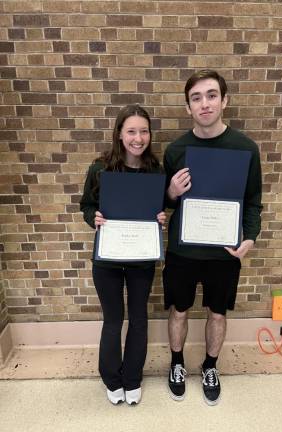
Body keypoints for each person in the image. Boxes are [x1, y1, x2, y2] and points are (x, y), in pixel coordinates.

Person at [163, 69, 262, 405]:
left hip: (224, 251)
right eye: (196, 98)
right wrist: (172, 193)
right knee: (178, 310)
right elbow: (161, 206)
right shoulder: (176, 150)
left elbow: (252, 202)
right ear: (188, 107)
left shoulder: (245, 149)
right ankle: (176, 363)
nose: (204, 104)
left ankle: (210, 366)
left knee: (218, 313)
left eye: (211, 95)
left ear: (224, 101)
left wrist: (250, 238)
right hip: (183, 250)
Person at [80, 104, 166, 406]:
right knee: (113, 320)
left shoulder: (155, 170)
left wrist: (160, 218)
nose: (138, 138)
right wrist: (96, 219)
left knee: (139, 319)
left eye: (143, 131)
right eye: (131, 131)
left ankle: (132, 379)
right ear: (119, 133)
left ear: (150, 135)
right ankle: (112, 379)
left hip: (141, 256)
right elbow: (86, 207)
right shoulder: (100, 168)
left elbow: (159, 208)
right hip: (108, 258)